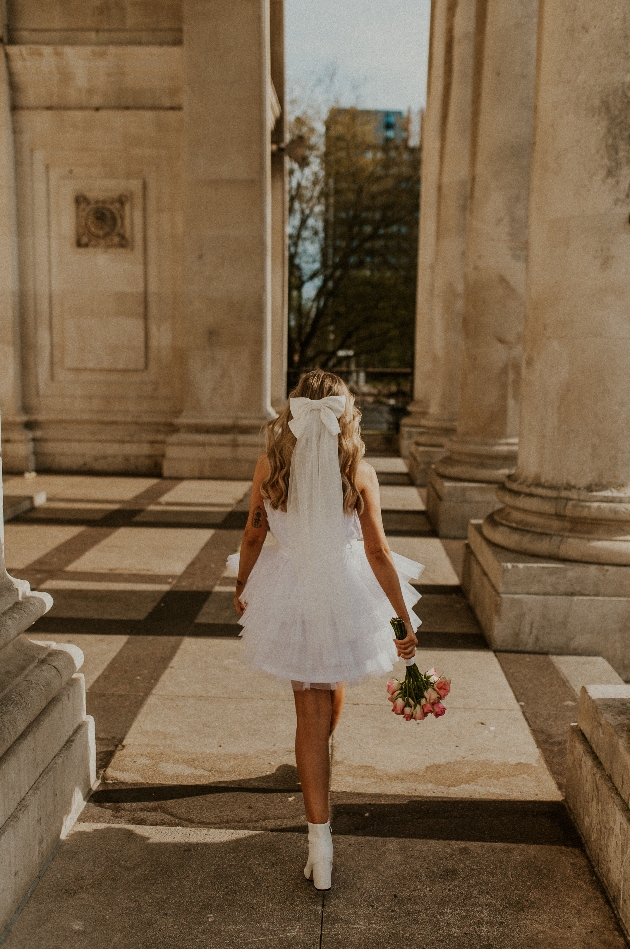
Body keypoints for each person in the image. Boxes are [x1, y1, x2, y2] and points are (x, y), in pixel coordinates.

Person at [229, 369, 422, 890]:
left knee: (311, 702)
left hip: (290, 585)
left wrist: (244, 585)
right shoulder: (358, 468)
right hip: (344, 586)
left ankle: (320, 845)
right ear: (344, 413)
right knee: (322, 693)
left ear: (293, 415)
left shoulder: (271, 464)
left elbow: (252, 534)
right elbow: (378, 551)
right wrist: (401, 615)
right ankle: (319, 814)